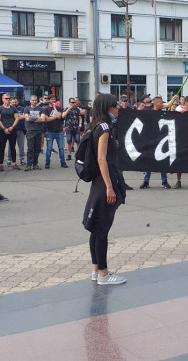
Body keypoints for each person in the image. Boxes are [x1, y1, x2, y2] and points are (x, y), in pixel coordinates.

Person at [82, 94, 127, 285]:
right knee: (102, 230)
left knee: (96, 228)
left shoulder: (95, 125)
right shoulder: (105, 128)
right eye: (114, 106)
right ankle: (103, 274)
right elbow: (102, 159)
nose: (118, 108)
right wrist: (110, 187)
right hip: (105, 181)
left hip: (97, 182)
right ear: (106, 108)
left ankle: (96, 269)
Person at [0, 93, 20, 170]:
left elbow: (17, 118)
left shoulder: (13, 108)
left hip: (12, 129)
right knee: (2, 147)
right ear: (2, 99)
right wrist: (4, 128)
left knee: (13, 147)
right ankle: (1, 164)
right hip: (3, 130)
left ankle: (14, 163)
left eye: (9, 98)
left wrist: (12, 127)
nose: (7, 100)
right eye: (6, 98)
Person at [22, 95, 47, 171]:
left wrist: (32, 119)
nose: (34, 101)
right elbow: (26, 118)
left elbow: (43, 119)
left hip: (39, 130)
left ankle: (35, 164)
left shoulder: (41, 109)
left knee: (37, 148)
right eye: (33, 100)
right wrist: (37, 118)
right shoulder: (27, 109)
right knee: (30, 148)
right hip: (30, 131)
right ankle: (29, 165)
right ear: (30, 101)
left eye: (35, 100)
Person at [44, 95, 68, 169]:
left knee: (61, 147)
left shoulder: (59, 108)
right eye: (52, 99)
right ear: (49, 100)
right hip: (49, 131)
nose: (53, 101)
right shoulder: (46, 109)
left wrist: (54, 107)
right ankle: (47, 162)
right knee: (49, 148)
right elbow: (47, 119)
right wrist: (55, 117)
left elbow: (59, 116)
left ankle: (63, 162)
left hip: (59, 131)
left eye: (54, 99)